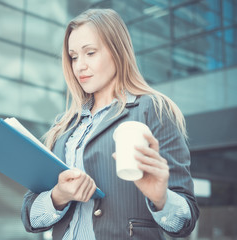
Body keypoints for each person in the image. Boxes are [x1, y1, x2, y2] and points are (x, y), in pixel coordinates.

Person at [21, 8, 199, 240]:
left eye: (90, 53)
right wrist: (58, 196)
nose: (80, 66)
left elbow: (185, 222)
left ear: (117, 51)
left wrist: (161, 198)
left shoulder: (152, 109)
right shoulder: (65, 127)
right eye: (74, 56)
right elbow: (30, 218)